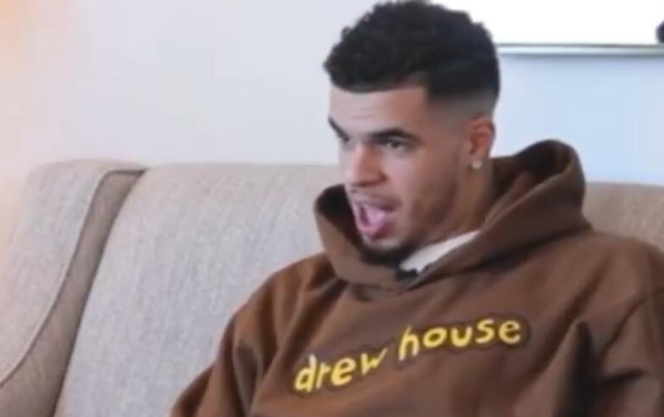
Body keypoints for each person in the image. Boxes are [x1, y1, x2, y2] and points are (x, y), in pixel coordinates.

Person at [171, 2, 664, 416]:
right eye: (345, 140)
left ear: (475, 143)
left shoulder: (609, 283)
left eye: (392, 144)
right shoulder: (287, 305)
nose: (357, 173)